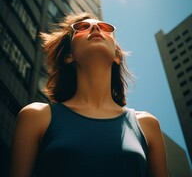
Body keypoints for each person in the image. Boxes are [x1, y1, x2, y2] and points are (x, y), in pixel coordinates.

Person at [10, 12, 168, 177]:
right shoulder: (36, 117)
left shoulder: (147, 125)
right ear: (69, 56)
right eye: (82, 27)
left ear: (116, 57)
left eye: (105, 28)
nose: (95, 27)